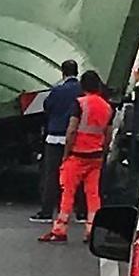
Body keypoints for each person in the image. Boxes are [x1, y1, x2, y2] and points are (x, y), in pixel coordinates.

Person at [40, 69, 113, 244]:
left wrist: (66, 153)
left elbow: (72, 130)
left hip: (78, 154)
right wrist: (103, 151)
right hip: (95, 156)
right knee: (93, 194)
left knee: (68, 192)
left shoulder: (80, 104)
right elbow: (108, 133)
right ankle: (91, 230)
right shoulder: (107, 106)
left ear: (83, 86)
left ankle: (60, 229)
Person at [29, 60, 82, 224]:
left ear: (63, 72)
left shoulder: (57, 90)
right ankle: (80, 212)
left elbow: (47, 107)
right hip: (75, 137)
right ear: (77, 72)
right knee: (76, 175)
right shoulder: (82, 91)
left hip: (55, 136)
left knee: (51, 175)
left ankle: (46, 211)